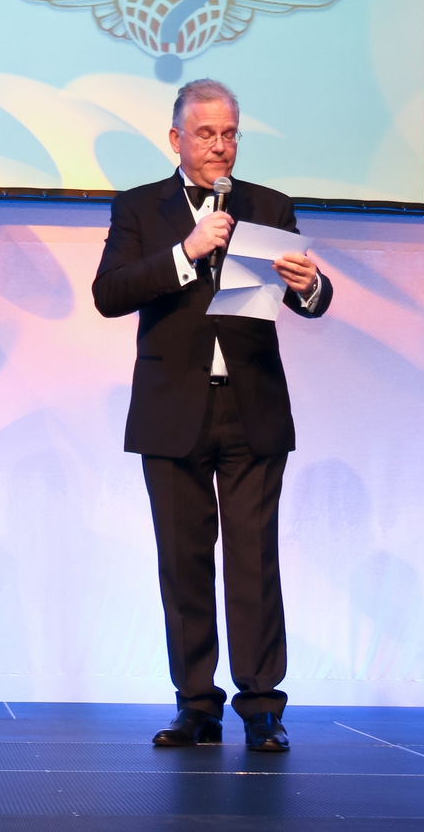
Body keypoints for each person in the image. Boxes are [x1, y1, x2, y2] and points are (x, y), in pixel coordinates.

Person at [92, 78, 332, 752]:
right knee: (184, 562)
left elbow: (307, 298)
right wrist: (186, 251)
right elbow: (110, 293)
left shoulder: (268, 205)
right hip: (174, 409)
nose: (219, 146)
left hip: (251, 407)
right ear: (177, 138)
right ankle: (196, 704)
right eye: (205, 134)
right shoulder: (140, 207)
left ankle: (262, 707)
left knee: (254, 562)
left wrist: (312, 286)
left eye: (229, 134)